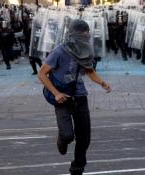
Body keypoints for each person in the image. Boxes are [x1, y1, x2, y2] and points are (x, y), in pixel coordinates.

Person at [38, 19, 111, 175]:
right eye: (82, 35)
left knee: (84, 138)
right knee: (67, 135)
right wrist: (56, 93)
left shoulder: (85, 51)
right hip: (62, 98)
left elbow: (90, 71)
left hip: (80, 97)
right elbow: (42, 74)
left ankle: (77, 168)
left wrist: (102, 83)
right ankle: (62, 139)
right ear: (72, 35)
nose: (85, 38)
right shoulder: (58, 52)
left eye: (87, 35)